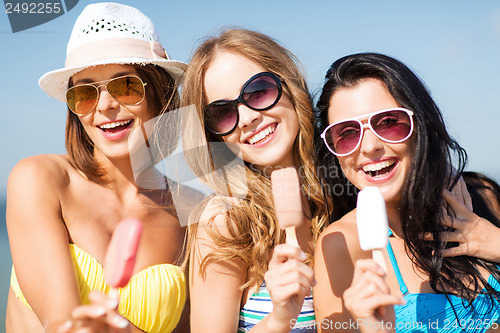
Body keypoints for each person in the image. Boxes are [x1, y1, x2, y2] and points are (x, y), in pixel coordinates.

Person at [6, 3, 189, 333]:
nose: (105, 105)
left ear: (159, 93)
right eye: (84, 93)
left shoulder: (191, 212)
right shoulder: (41, 180)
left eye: (126, 86)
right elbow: (60, 323)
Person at [312, 52, 500, 333]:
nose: (369, 146)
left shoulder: (482, 197)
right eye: (347, 132)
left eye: (388, 122)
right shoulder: (341, 245)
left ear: (420, 124)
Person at [180, 28, 329, 332]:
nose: (247, 118)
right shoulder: (226, 222)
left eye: (258, 91)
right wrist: (279, 319)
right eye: (223, 112)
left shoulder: (339, 195)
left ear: (289, 85)